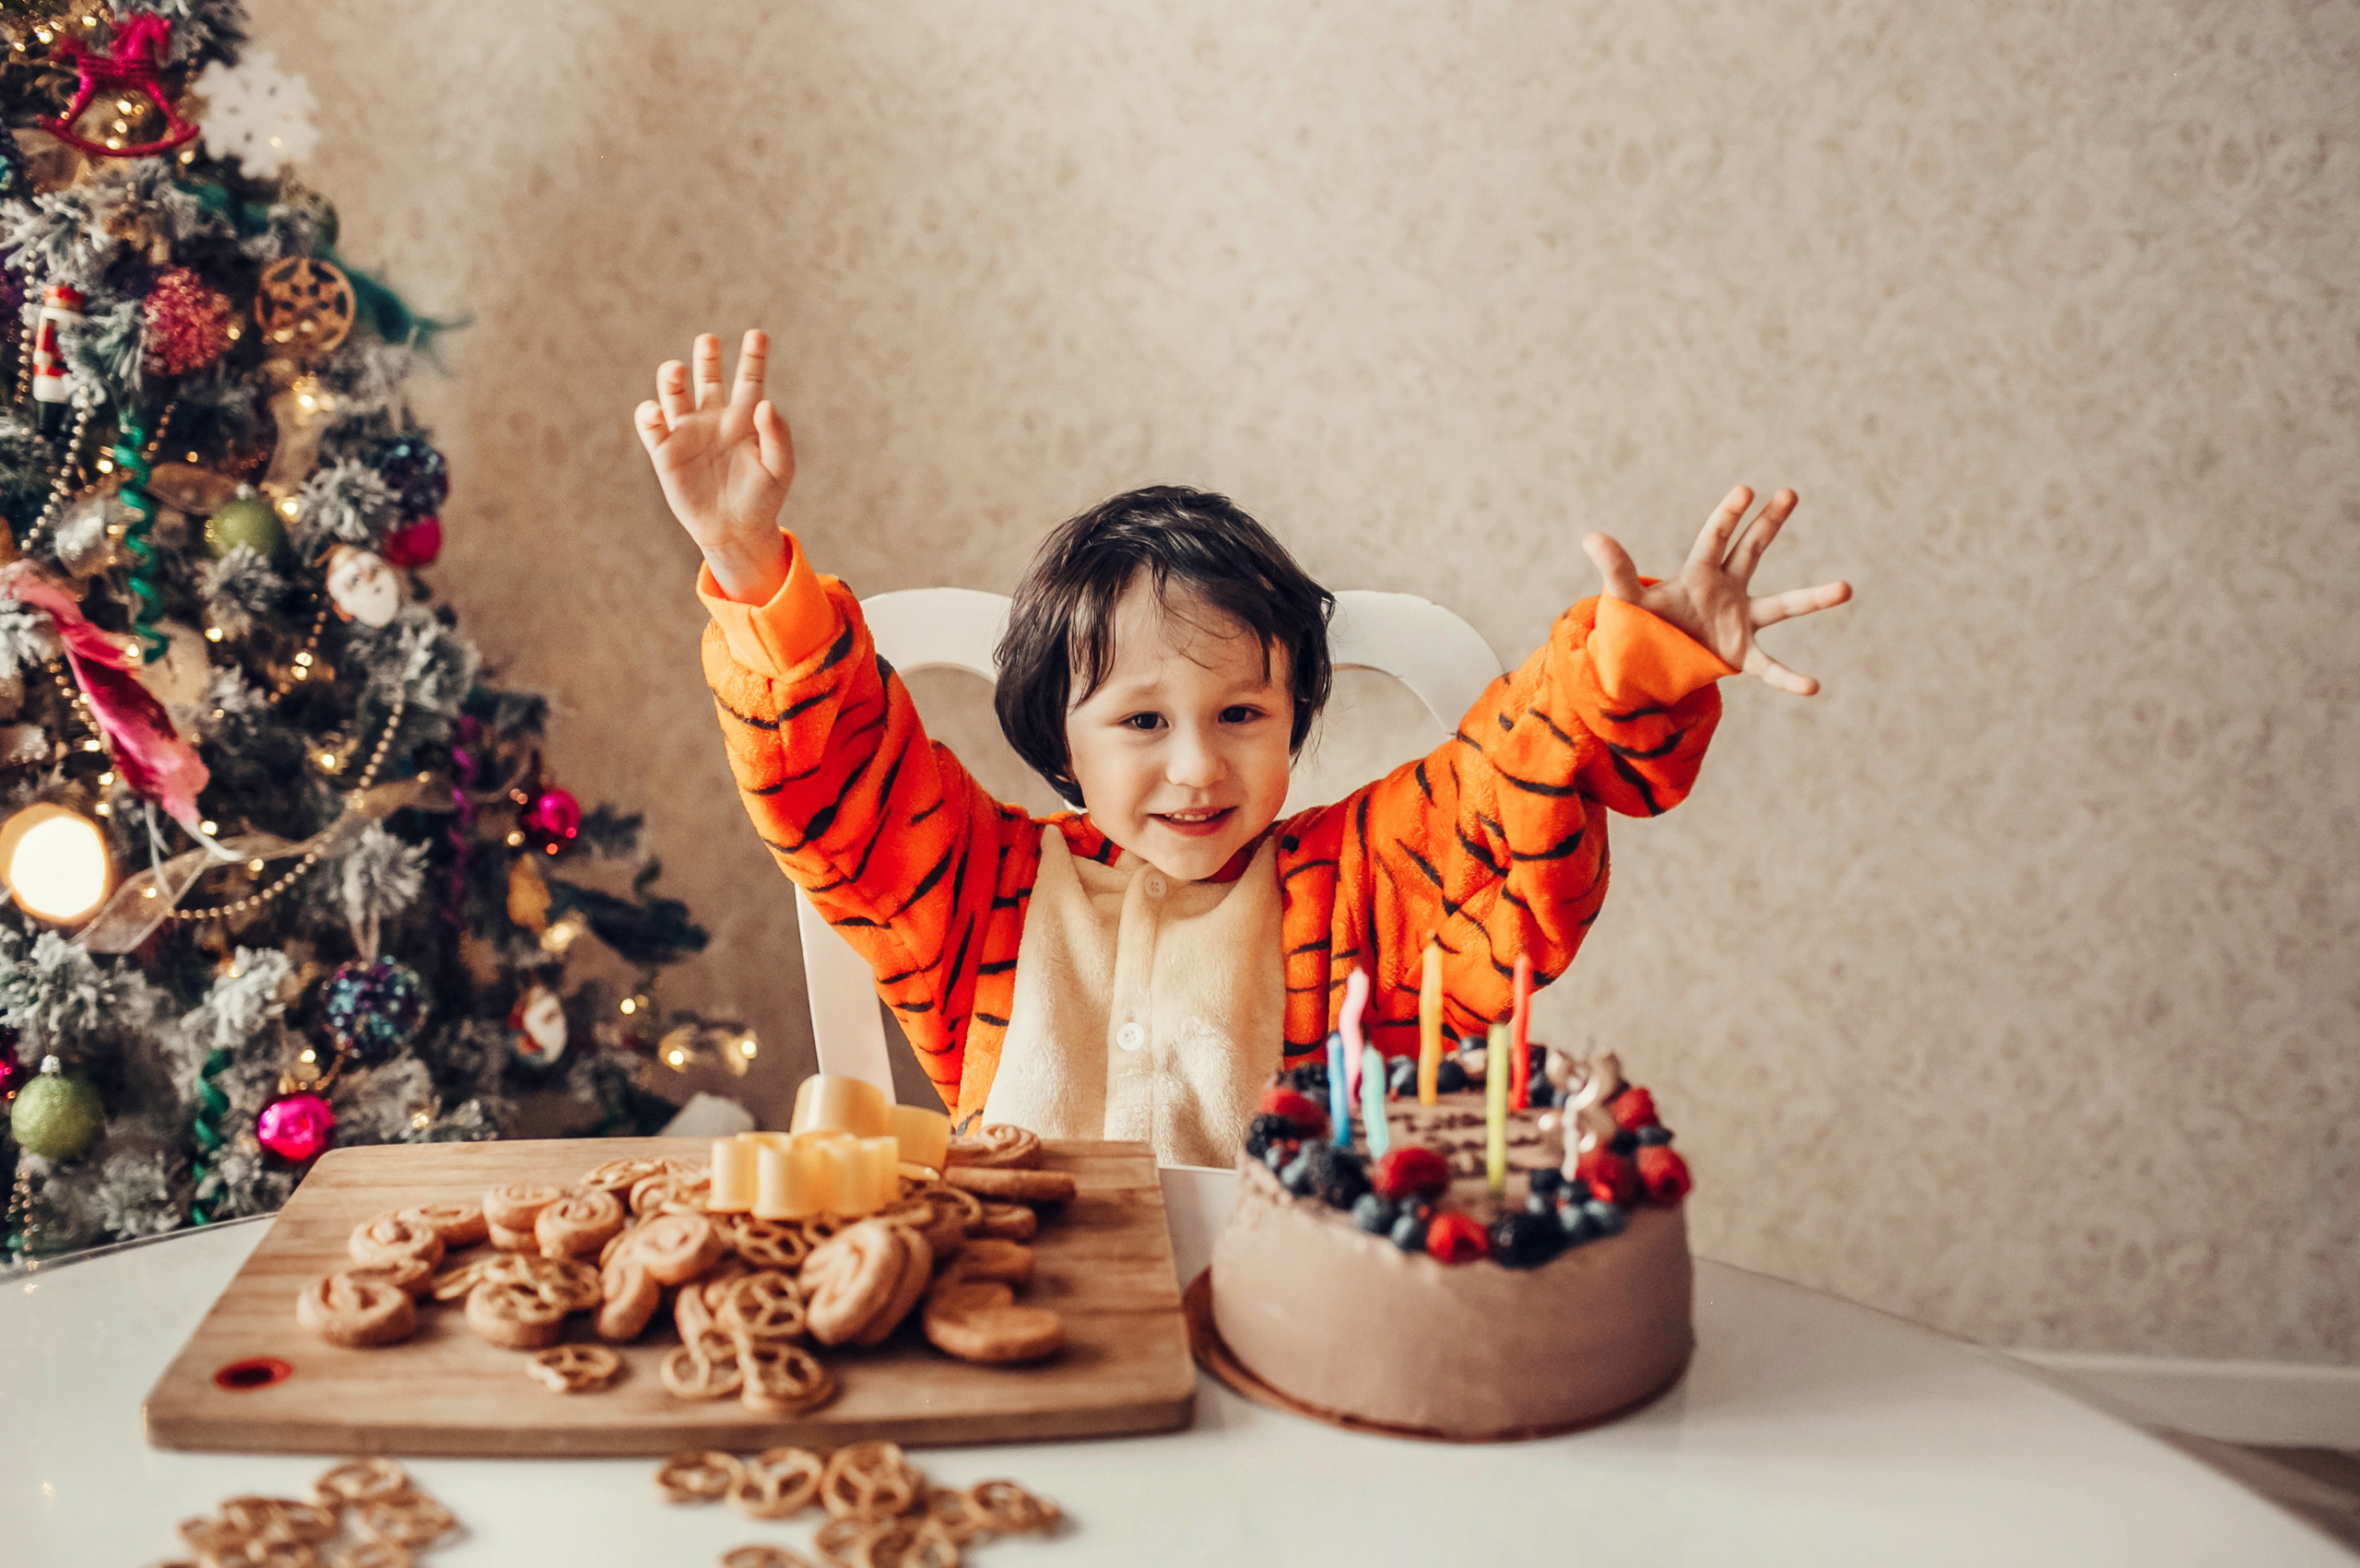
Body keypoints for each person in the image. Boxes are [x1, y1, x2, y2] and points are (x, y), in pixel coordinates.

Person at [635, 331, 1849, 1165]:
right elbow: (836, 783)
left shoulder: (1352, 888)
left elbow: (1502, 798)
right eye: (1143, 722)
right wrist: (751, 569)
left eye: (1241, 715)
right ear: (1060, 740)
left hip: (1282, 1357)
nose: (1200, 766)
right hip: (1012, 1333)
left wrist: (1634, 660)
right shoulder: (978, 895)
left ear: (1294, 722)